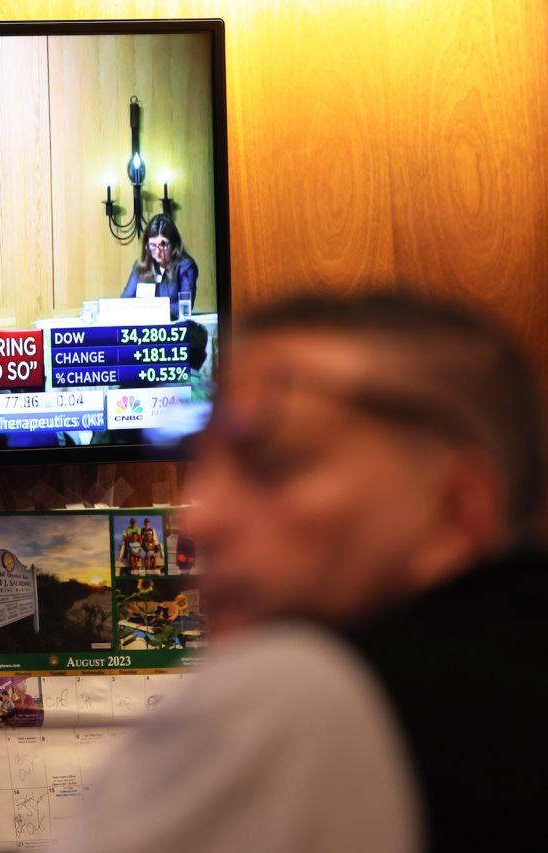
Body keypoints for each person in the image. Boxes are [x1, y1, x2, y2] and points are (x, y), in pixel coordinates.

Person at [66, 291, 546, 853]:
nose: (200, 518)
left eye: (273, 466)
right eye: (204, 462)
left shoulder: (287, 697)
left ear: (455, 511)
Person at [121, 214, 198, 321]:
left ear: (174, 244)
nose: (157, 251)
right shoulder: (141, 266)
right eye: (152, 245)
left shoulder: (185, 266)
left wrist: (148, 310)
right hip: (143, 328)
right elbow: (125, 301)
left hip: (172, 329)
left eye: (163, 245)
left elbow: (184, 307)